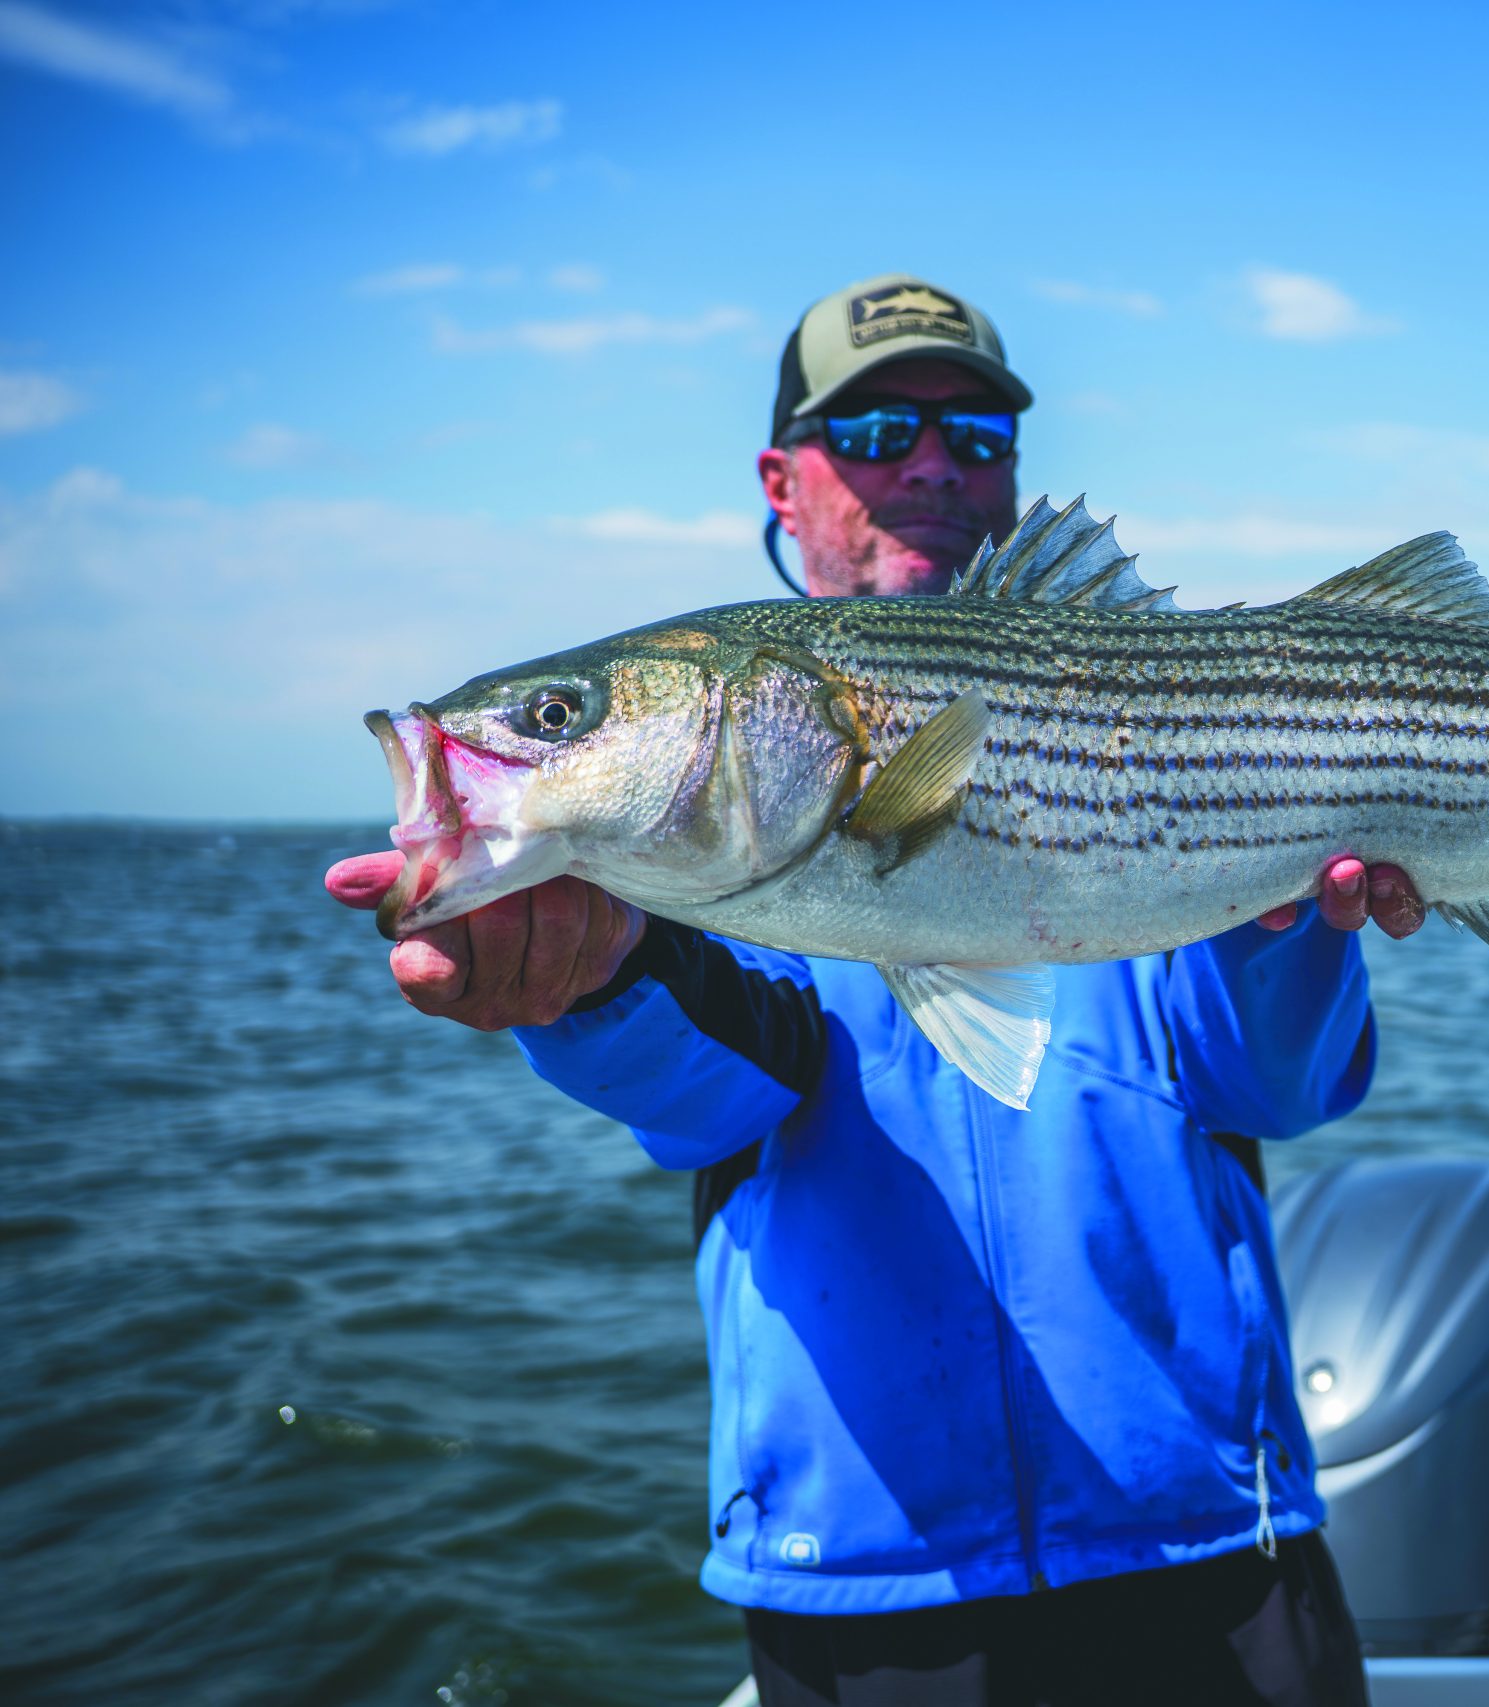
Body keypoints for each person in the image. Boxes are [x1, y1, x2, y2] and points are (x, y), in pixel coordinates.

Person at [325, 273, 1426, 1706]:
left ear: (1015, 476)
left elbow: (1263, 1084)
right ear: (784, 480)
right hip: (866, 1560)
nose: (930, 463)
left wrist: (1295, 921)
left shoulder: (1135, 712)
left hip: (1212, 1534)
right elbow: (734, 1078)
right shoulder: (715, 838)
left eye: (978, 437)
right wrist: (592, 984)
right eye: (878, 427)